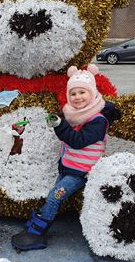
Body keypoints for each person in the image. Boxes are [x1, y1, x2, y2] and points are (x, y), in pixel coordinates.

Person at [11, 64, 121, 251]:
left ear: (93, 93)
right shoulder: (75, 115)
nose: (77, 97)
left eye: (82, 93)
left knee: (54, 197)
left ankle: (37, 233)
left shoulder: (98, 120)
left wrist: (60, 125)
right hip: (67, 167)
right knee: (53, 196)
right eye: (73, 94)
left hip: (80, 173)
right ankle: (40, 225)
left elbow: (78, 141)